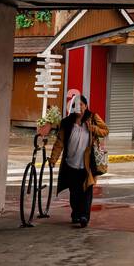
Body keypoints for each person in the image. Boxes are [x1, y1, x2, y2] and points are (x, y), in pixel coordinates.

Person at [50, 92, 108, 227]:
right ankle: (76, 214)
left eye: (81, 104)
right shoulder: (66, 122)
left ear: (86, 106)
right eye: (75, 105)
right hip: (71, 163)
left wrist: (92, 128)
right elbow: (59, 142)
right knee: (74, 192)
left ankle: (84, 216)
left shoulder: (92, 118)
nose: (79, 107)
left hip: (87, 164)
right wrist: (53, 159)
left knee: (87, 191)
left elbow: (105, 130)